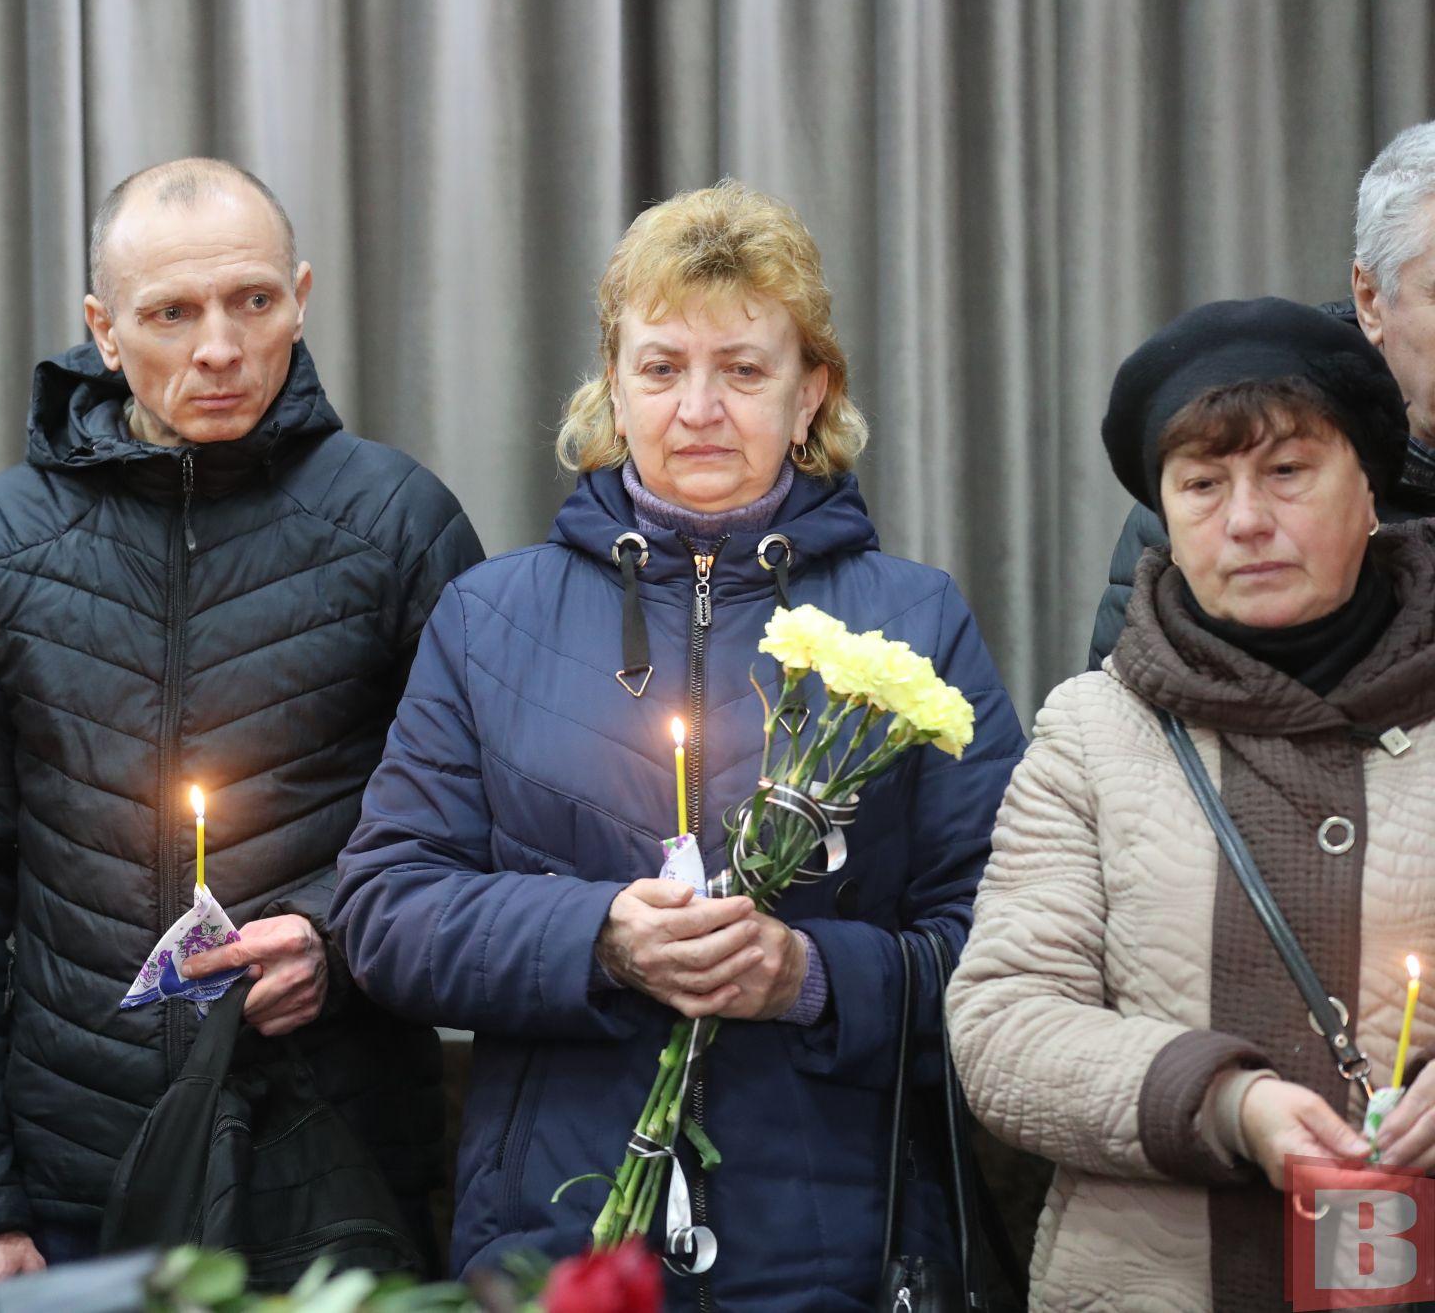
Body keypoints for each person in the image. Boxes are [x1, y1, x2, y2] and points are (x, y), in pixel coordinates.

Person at [330, 181, 1025, 1309]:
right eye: (660, 368)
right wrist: (597, 936)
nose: (698, 407)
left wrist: (807, 977)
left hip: (835, 1244)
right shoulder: (487, 617)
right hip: (554, 1245)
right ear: (612, 385)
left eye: (743, 371)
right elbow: (385, 913)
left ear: (812, 393)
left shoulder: (915, 620)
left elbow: (1003, 946)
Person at [0, 158, 483, 1283]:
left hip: (330, 1159)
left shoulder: (401, 523)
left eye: (252, 301)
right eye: (171, 313)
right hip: (72, 1179)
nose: (218, 347)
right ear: (104, 331)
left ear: (300, 296)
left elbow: (471, 831)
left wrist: (336, 944)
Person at [948, 297, 1435, 1309]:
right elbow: (1001, 1026)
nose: (1245, 520)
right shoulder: (1091, 732)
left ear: (1369, 484)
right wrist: (1225, 1102)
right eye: (1202, 483)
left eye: (1287, 472)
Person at [1087, 120, 1435, 665]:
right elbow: (1134, 721)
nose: (1247, 519)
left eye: (1287, 473)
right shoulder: (1219, 462)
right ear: (1371, 299)